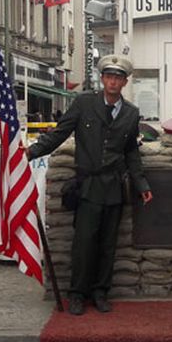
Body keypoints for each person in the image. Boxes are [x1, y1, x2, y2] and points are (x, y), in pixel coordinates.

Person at [26, 54, 153, 315]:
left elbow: (131, 152)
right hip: (88, 186)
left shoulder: (131, 113)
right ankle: (77, 293)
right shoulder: (84, 103)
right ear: (102, 79)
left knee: (108, 245)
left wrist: (141, 184)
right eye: (109, 76)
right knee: (83, 243)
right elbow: (60, 134)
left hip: (114, 187)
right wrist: (28, 154)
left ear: (125, 82)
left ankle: (100, 292)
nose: (113, 82)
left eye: (118, 77)